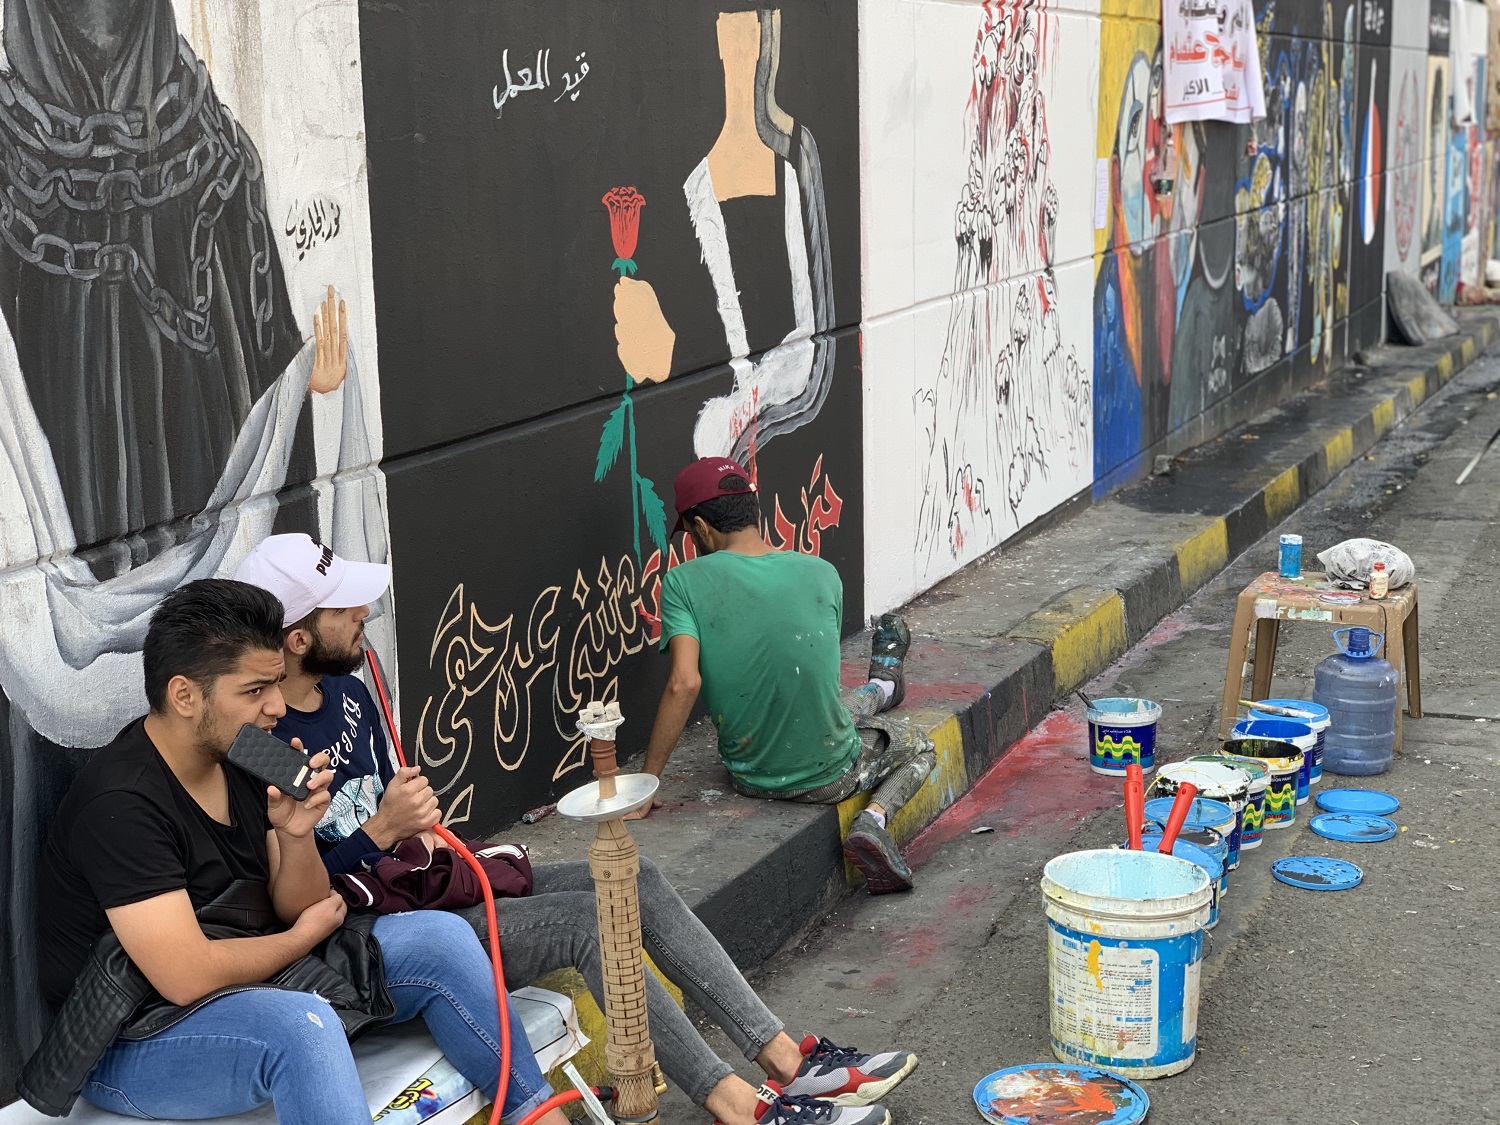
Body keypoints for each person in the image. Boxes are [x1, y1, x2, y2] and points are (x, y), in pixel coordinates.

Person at [237, 534, 917, 1125]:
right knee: (594, 919)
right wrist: (383, 828)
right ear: (296, 638)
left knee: (635, 879)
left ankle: (787, 1058)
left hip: (426, 886)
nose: (365, 614)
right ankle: (735, 1103)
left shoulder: (351, 691)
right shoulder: (262, 742)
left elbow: (397, 820)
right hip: (378, 937)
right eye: (346, 607)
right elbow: (298, 897)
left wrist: (407, 823)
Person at [28, 579, 566, 1125]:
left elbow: (296, 902)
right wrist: (300, 939)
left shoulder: (250, 750)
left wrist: (297, 833)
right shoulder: (121, 803)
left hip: (247, 974)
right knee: (301, 1029)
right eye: (256, 690)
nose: (277, 707)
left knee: (439, 938)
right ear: (185, 695)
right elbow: (186, 976)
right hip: (133, 1036)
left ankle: (537, 1111)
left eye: (278, 684)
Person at [642, 458, 936, 895]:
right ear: (753, 510)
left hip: (751, 774)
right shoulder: (823, 574)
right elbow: (808, 679)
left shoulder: (682, 583)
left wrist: (647, 784)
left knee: (843, 707)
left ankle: (883, 685)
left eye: (688, 534)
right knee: (921, 749)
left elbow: (685, 682)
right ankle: (872, 821)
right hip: (831, 776)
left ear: (701, 527)